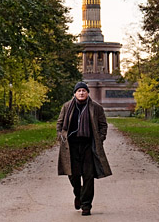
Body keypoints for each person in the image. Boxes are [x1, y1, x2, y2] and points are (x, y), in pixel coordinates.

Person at [56, 81, 112, 216]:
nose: (81, 93)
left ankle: (86, 205)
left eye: (84, 91)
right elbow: (60, 124)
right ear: (75, 93)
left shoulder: (96, 107)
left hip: (88, 146)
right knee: (73, 175)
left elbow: (103, 125)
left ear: (88, 93)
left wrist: (100, 138)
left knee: (88, 176)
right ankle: (78, 193)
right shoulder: (67, 106)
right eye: (79, 91)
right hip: (71, 147)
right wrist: (61, 137)